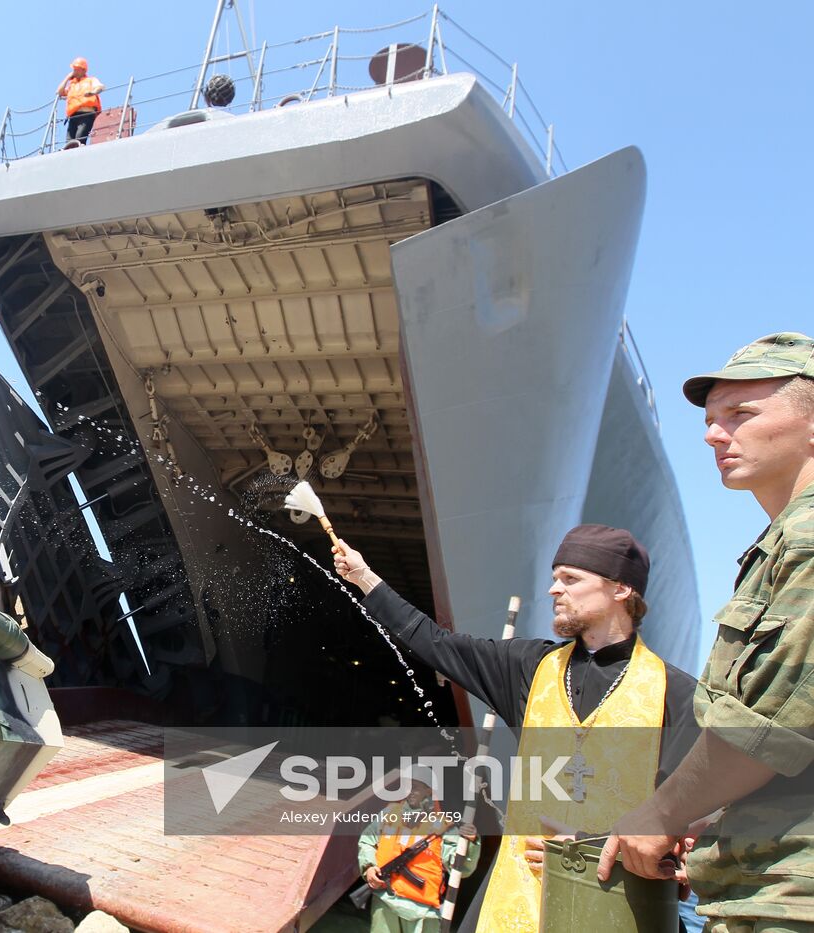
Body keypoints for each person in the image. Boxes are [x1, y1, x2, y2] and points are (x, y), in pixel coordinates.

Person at [334, 524, 700, 932]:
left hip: (619, 901)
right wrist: (364, 577)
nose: (553, 590)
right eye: (554, 578)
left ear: (621, 589)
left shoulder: (677, 693)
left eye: (570, 579)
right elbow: (436, 643)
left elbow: (695, 807)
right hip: (520, 886)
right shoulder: (528, 666)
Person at [601, 332, 814, 931]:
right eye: (711, 418)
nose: (713, 434)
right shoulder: (781, 542)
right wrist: (706, 816)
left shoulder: (807, 539)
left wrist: (662, 812)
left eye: (741, 414)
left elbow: (766, 728)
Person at [358, 766, 480, 933]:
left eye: (415, 786)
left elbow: (461, 869)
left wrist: (470, 843)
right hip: (385, 900)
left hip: (423, 912)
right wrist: (369, 867)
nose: (409, 791)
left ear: (429, 790)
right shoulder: (389, 813)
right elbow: (367, 841)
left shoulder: (444, 827)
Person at [56, 57, 104, 146]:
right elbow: (59, 92)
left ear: (83, 70)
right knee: (69, 142)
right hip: (73, 116)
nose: (74, 71)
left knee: (80, 138)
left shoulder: (91, 80)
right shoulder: (72, 85)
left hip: (86, 114)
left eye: (76, 69)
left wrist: (92, 92)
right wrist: (67, 77)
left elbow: (100, 87)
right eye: (74, 69)